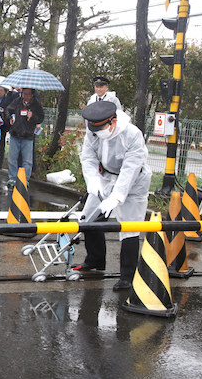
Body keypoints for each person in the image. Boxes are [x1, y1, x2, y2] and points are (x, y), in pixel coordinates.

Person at [72, 101, 152, 291]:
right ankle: (95, 260)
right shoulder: (93, 132)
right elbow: (88, 158)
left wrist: (117, 197)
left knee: (130, 227)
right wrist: (93, 183)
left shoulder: (132, 134)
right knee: (89, 218)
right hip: (104, 177)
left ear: (113, 121)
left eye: (101, 128)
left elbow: (130, 169)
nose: (98, 133)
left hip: (134, 182)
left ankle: (127, 275)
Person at [6, 88, 44, 187]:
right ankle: (12, 178)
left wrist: (33, 116)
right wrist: (10, 117)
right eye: (24, 94)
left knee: (27, 160)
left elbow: (41, 118)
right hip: (15, 133)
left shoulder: (36, 104)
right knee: (12, 158)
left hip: (28, 136)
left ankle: (25, 179)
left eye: (28, 94)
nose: (25, 96)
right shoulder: (17, 101)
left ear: (32, 95)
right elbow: (8, 110)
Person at [0, 85, 16, 169]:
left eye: (1, 90)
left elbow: (6, 112)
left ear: (5, 92)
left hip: (2, 125)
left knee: (1, 144)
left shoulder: (7, 100)